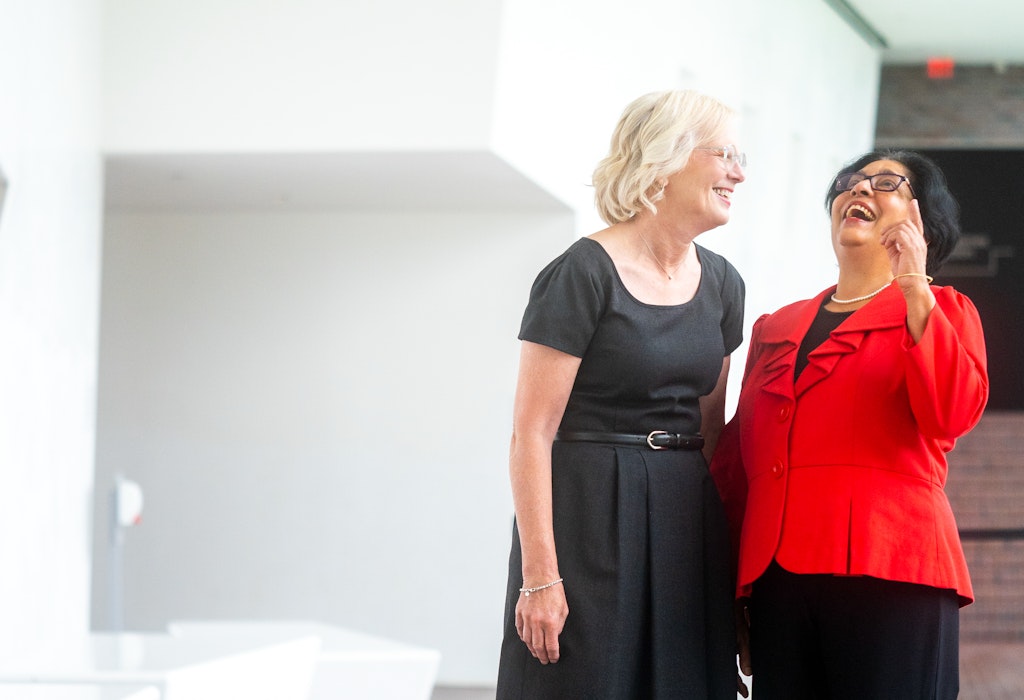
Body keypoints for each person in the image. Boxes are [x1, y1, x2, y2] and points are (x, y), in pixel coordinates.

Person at [495, 89, 749, 699]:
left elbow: (711, 433)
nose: (739, 172)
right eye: (724, 154)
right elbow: (532, 432)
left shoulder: (724, 284)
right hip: (587, 519)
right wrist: (540, 578)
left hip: (687, 520)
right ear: (665, 159)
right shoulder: (580, 274)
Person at [710, 149, 989, 699]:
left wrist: (913, 284)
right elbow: (738, 465)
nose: (858, 190)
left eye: (886, 183)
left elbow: (952, 415)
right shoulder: (776, 327)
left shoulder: (944, 310)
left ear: (922, 221)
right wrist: (734, 590)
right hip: (777, 584)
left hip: (893, 572)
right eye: (849, 183)